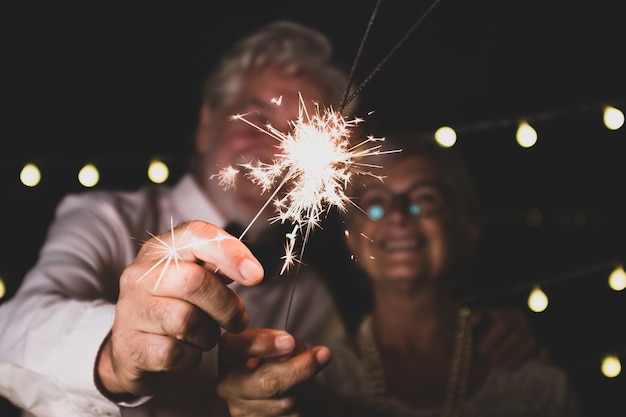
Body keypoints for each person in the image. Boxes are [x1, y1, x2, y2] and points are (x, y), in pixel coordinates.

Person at [0, 21, 540, 417]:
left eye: (297, 128)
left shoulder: (308, 295)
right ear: (205, 123)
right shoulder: (106, 218)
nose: (272, 149)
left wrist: (473, 335)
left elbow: (361, 392)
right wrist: (115, 356)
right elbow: (9, 335)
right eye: (256, 116)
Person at [217, 132, 584, 417]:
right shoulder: (314, 381)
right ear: (353, 241)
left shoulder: (532, 382)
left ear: (465, 226)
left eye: (424, 200)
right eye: (375, 204)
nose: (397, 216)